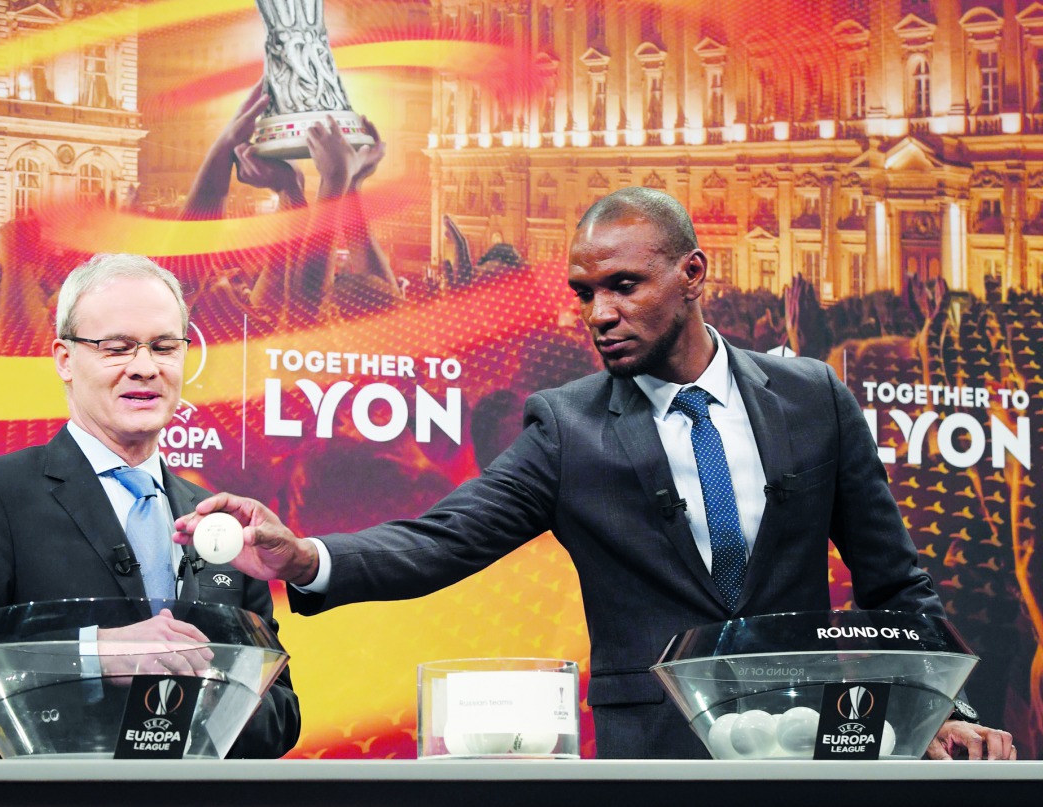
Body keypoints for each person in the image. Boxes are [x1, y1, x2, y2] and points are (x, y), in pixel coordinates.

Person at [172, 187, 1014, 761]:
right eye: (584, 292)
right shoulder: (567, 427)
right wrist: (302, 557)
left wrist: (948, 709)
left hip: (807, 748)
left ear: (692, 275)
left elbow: (896, 586)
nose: (598, 313)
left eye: (623, 286)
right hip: (652, 758)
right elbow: (443, 540)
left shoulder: (812, 397)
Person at [0, 253, 300, 759]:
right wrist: (95, 656)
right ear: (65, 360)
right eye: (116, 348)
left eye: (164, 347)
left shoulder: (219, 519)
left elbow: (282, 715)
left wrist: (207, 684)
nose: (145, 367)